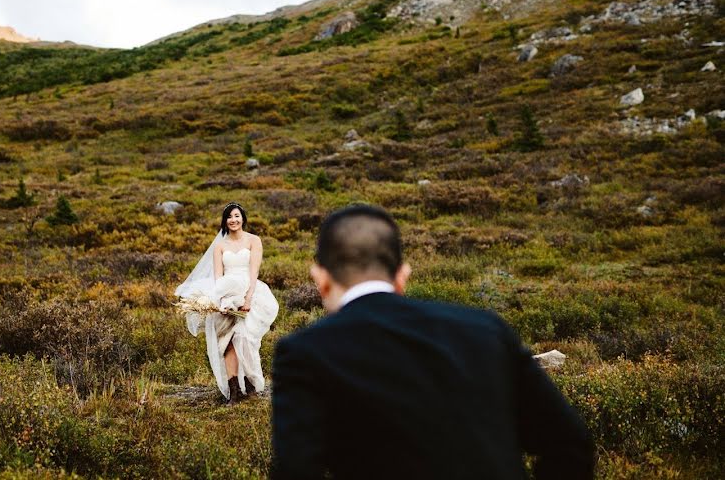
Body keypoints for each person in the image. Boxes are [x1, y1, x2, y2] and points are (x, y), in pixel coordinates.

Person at [270, 204, 594, 479]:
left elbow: (297, 470)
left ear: (321, 278)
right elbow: (570, 442)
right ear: (402, 276)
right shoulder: (486, 329)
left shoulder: (305, 353)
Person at [175, 202, 279, 405]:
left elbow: (254, 271)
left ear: (243, 218)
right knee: (228, 343)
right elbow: (218, 277)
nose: (233, 220)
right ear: (225, 221)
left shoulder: (253, 241)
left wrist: (248, 299)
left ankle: (250, 384)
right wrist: (220, 301)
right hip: (226, 294)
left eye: (237, 216)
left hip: (250, 292)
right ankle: (234, 392)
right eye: (229, 217)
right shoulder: (220, 246)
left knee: (245, 339)